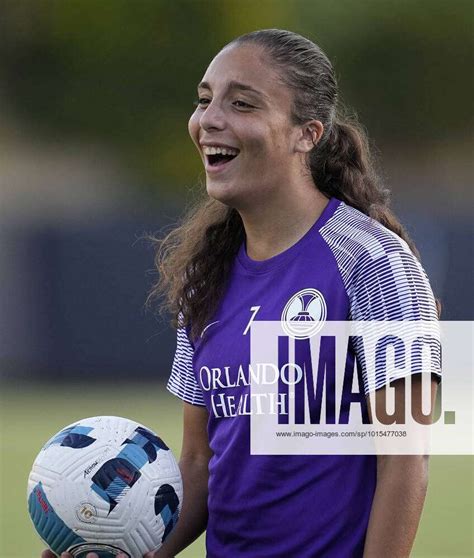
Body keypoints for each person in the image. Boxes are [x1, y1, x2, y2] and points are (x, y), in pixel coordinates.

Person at [42, 28, 440, 558]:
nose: (209, 120)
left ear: (307, 134)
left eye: (242, 103)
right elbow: (198, 465)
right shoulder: (205, 278)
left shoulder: (376, 264)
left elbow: (406, 461)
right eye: (204, 100)